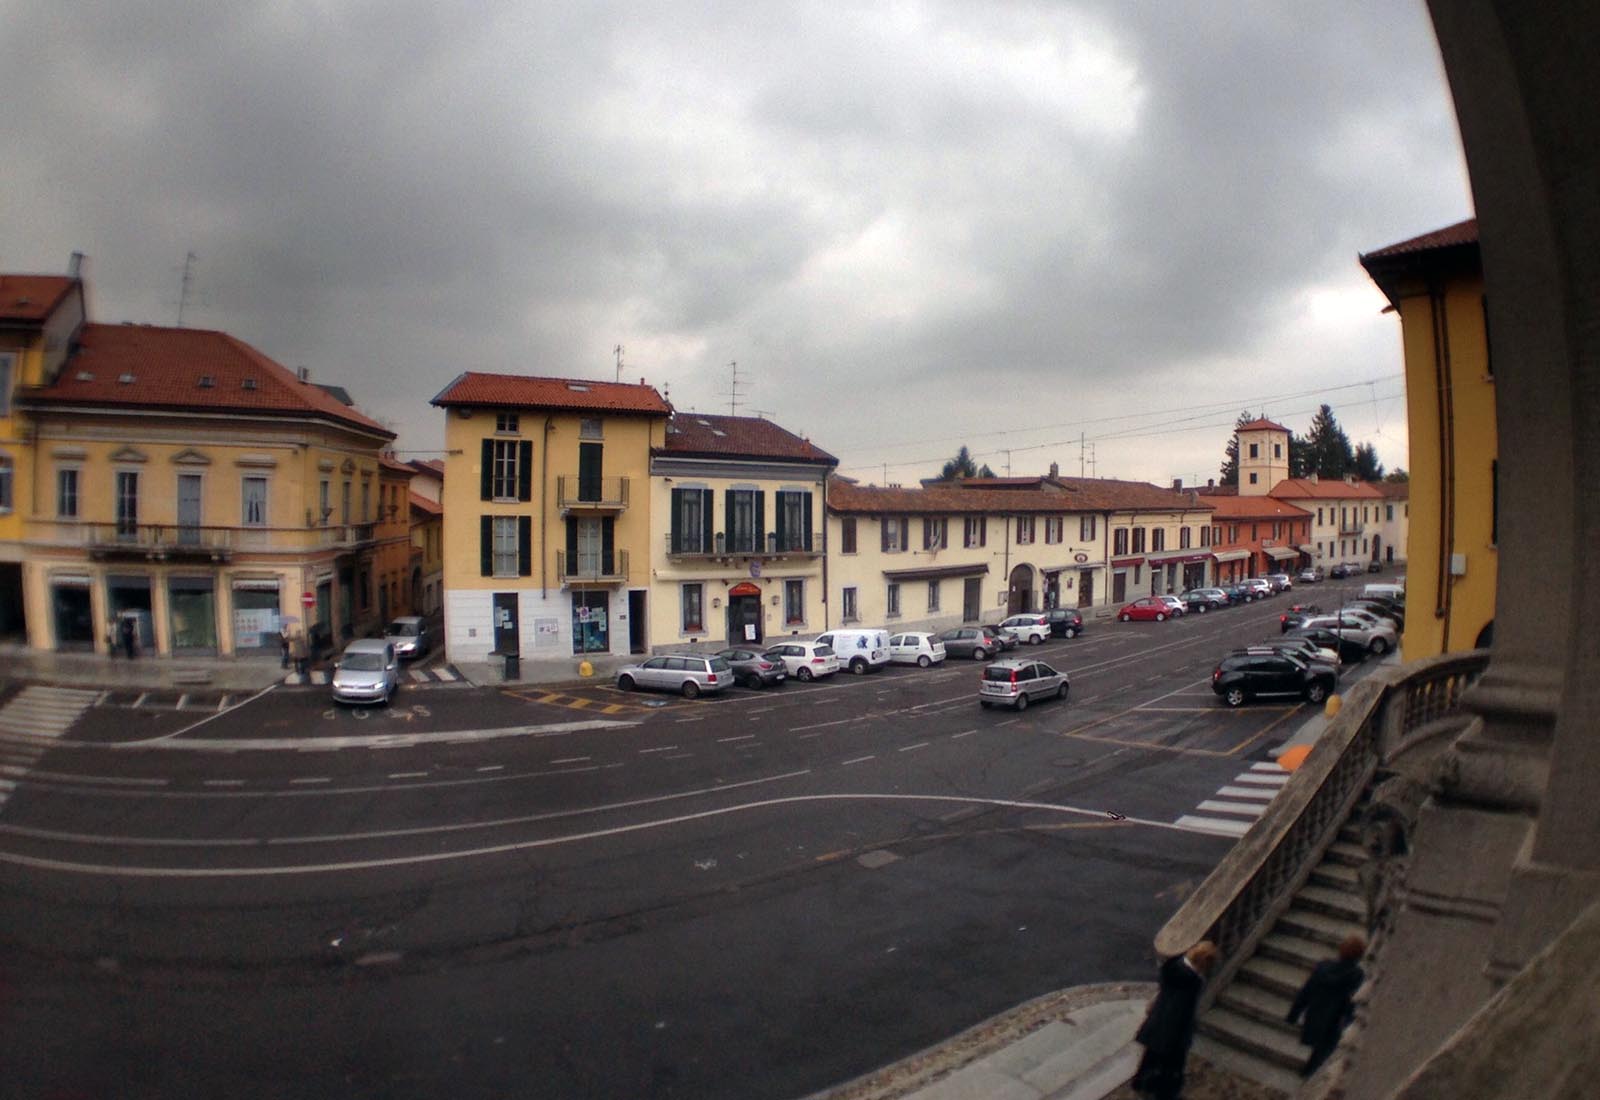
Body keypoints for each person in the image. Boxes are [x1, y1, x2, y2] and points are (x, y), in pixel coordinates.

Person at [1133, 940, 1218, 1100]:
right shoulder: (1191, 982)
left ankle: (1140, 1083)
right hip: (1174, 1029)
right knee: (1171, 1066)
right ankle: (1163, 1093)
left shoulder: (1173, 968)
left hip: (1159, 1019)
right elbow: (1183, 1010)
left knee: (1151, 1056)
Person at [1287, 933, 1367, 1077]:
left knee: (1319, 1049)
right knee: (1322, 1055)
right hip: (1334, 1021)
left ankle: (1307, 1072)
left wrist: (1294, 1014)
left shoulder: (1323, 967)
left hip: (1315, 1015)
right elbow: (1352, 1001)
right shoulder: (1357, 976)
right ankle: (1307, 1075)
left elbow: (1306, 991)